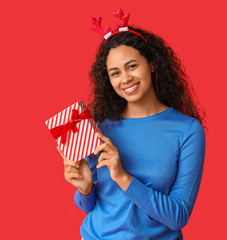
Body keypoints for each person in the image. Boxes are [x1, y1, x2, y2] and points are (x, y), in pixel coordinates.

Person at [57, 9, 206, 240]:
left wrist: (122, 177)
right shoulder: (100, 128)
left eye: (132, 66)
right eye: (115, 73)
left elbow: (178, 215)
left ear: (152, 64)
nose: (125, 79)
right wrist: (85, 188)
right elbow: (88, 206)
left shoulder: (187, 131)